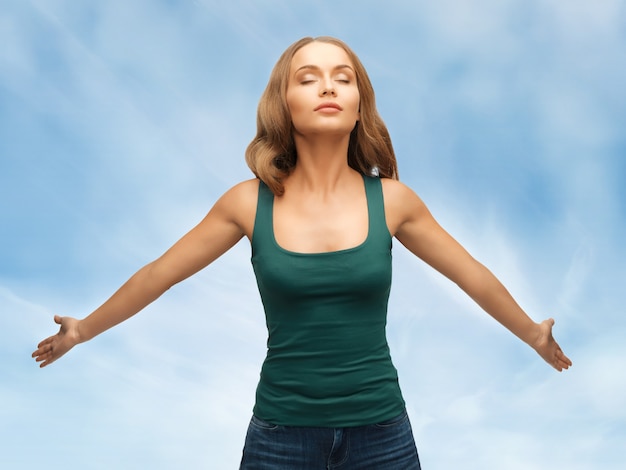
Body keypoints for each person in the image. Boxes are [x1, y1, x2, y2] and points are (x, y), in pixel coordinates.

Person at [32, 36, 572, 469]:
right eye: (307, 78)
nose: (327, 87)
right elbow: (159, 275)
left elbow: (470, 275)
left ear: (360, 106)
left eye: (343, 78)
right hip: (279, 438)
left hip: (382, 434)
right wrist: (83, 330)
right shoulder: (247, 203)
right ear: (283, 104)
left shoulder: (394, 201)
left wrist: (531, 332)